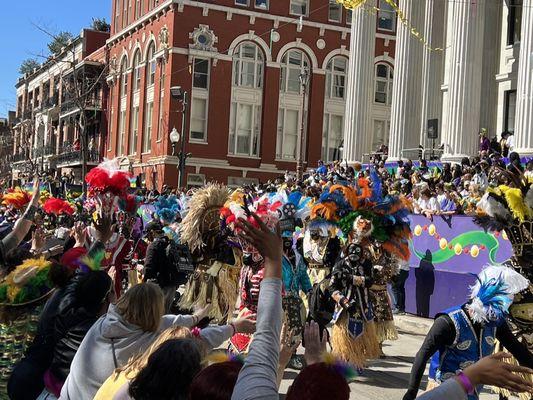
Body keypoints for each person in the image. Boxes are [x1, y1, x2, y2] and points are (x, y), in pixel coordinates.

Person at [60, 282, 253, 400]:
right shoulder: (147, 342)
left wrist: (195, 317)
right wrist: (234, 327)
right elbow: (197, 341)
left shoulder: (106, 321)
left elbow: (167, 322)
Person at [403, 266, 533, 400]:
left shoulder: (495, 322)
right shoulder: (448, 322)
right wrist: (411, 393)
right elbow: (422, 355)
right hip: (444, 391)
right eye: (507, 296)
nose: (509, 302)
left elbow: (518, 351)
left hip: (470, 392)